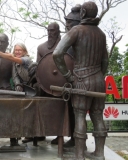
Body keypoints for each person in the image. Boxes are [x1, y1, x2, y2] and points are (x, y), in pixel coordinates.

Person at [53, 1, 109, 159]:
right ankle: (99, 154)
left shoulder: (76, 30)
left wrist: (69, 76)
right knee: (97, 115)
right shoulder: (101, 34)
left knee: (79, 115)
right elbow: (105, 61)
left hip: (81, 79)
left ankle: (79, 155)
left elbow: (57, 53)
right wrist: (98, 75)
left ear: (83, 13)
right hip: (99, 80)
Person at [24, 22, 61, 144]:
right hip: (44, 82)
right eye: (49, 30)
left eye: (53, 31)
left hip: (60, 82)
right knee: (36, 95)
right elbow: (39, 66)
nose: (50, 33)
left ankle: (60, 134)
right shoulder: (41, 48)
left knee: (61, 108)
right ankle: (37, 133)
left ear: (58, 31)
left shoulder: (64, 46)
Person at [62, 4, 82, 149]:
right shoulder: (70, 39)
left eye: (70, 22)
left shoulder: (80, 38)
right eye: (67, 22)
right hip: (72, 80)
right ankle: (74, 138)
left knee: (79, 112)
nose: (67, 25)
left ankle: (78, 141)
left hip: (79, 79)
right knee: (72, 110)